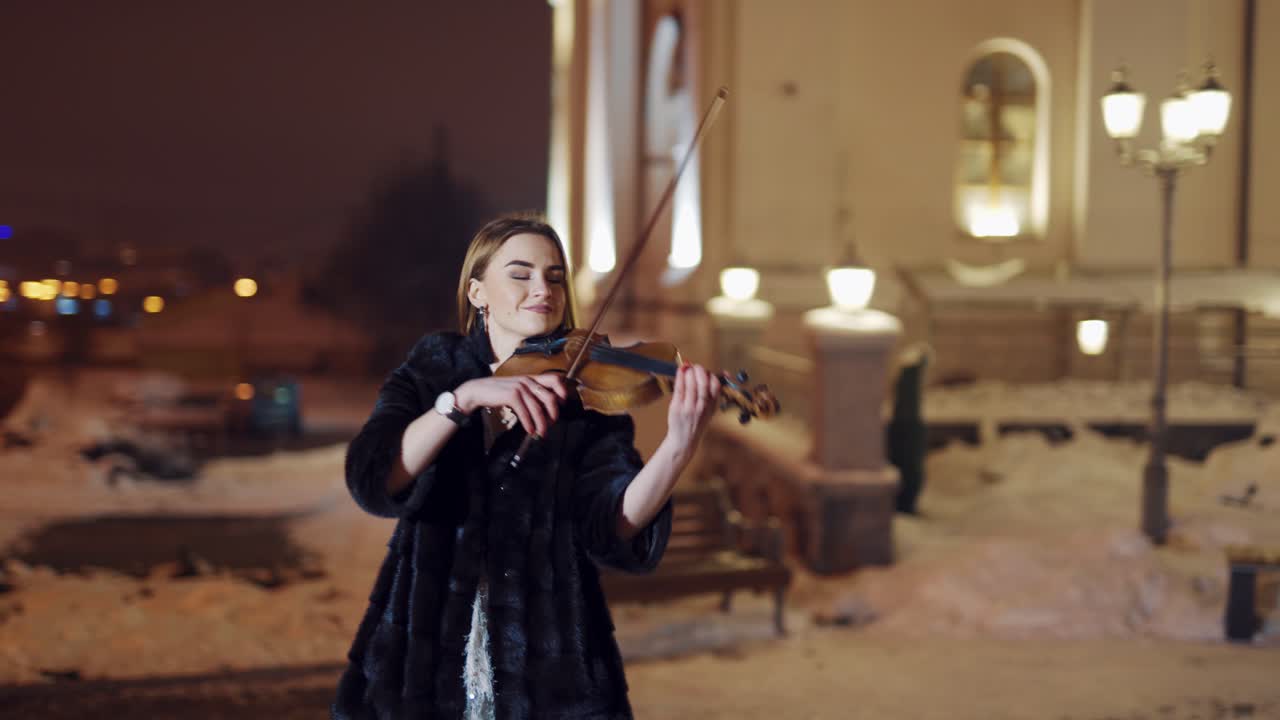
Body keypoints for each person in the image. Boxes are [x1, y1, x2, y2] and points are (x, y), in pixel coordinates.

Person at [331, 215, 721, 719]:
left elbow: (612, 531)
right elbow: (372, 479)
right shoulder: (435, 369)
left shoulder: (585, 395)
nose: (543, 288)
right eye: (521, 273)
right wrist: (462, 399)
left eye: (555, 276)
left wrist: (678, 447)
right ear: (478, 292)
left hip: (549, 664)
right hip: (421, 655)